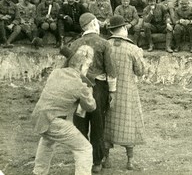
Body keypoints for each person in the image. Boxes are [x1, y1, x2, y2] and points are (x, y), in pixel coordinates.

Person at [32, 45, 96, 175]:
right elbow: (91, 107)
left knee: (47, 140)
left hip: (39, 117)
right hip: (55, 121)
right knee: (84, 148)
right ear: (81, 67)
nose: (87, 69)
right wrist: (88, 91)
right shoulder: (80, 85)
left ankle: (38, 172)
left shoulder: (56, 73)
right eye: (87, 67)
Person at [68, 12, 117, 173]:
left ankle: (82, 160)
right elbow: (111, 70)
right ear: (94, 24)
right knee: (98, 124)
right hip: (98, 88)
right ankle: (96, 161)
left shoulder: (74, 44)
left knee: (80, 123)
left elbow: (66, 69)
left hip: (78, 88)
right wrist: (112, 91)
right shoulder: (104, 44)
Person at [103, 14, 145, 171]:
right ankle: (130, 160)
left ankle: (106, 159)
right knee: (128, 123)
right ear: (124, 28)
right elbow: (140, 71)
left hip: (107, 91)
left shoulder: (105, 45)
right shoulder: (132, 49)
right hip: (127, 92)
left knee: (107, 123)